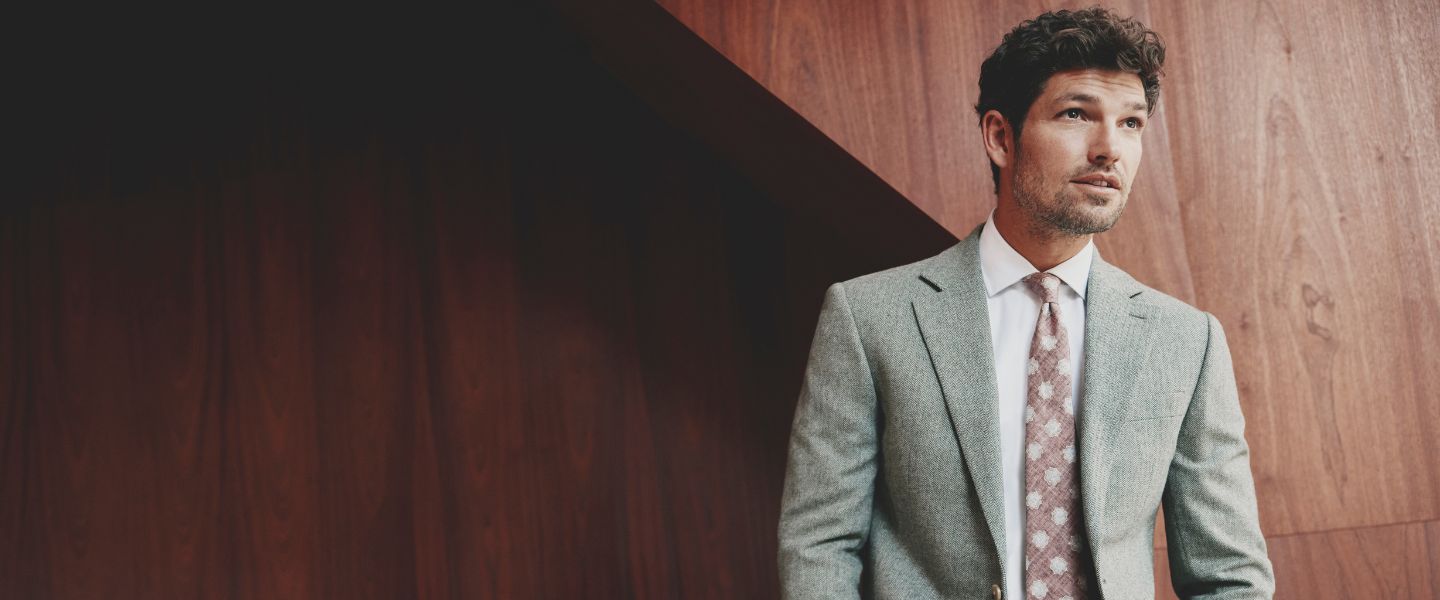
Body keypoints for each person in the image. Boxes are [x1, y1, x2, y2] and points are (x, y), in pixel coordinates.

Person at [777, 7, 1274, 600]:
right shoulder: (869, 318)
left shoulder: (1185, 341)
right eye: (1075, 114)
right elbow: (819, 545)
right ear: (1000, 137)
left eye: (1131, 123)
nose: (1109, 149)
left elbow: (1230, 575)